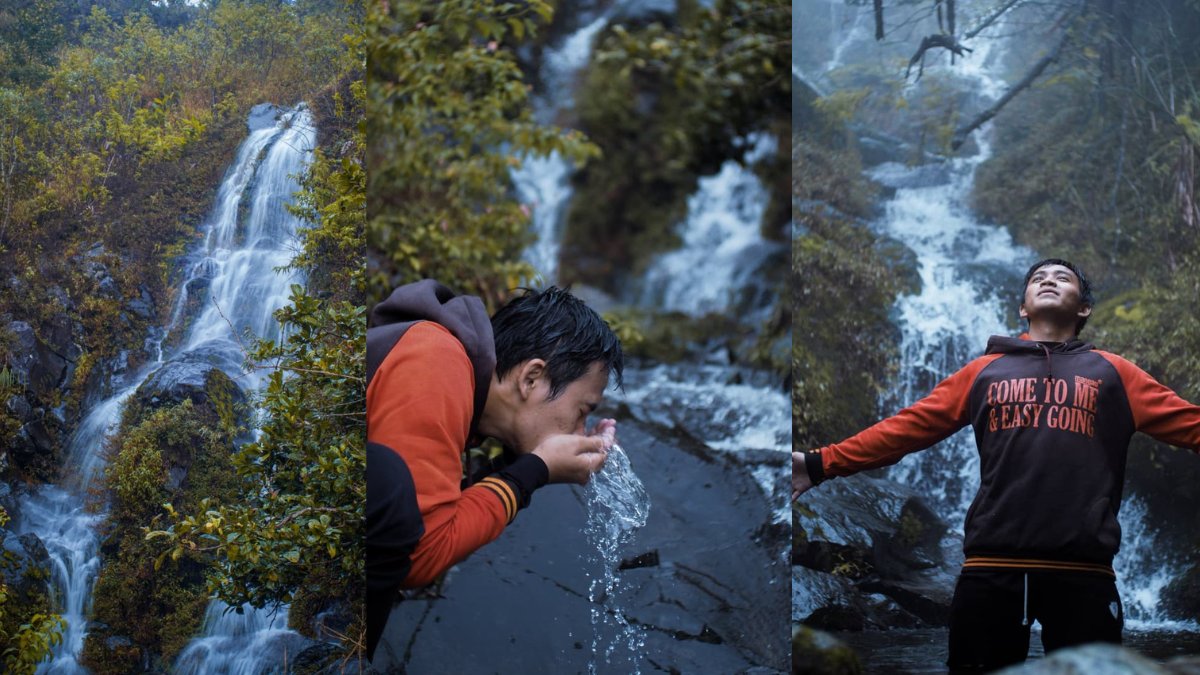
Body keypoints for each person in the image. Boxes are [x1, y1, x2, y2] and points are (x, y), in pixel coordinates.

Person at [792, 258, 1200, 671]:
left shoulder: (1115, 372)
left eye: (1063, 278)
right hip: (991, 570)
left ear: (1084, 310)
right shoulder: (983, 371)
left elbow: (1191, 425)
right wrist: (818, 463)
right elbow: (907, 429)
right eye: (1038, 278)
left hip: (1084, 573)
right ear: (1023, 308)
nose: (1048, 281)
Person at [365, 279, 624, 661]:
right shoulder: (435, 361)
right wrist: (535, 468)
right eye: (582, 412)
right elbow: (416, 554)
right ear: (531, 377)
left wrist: (520, 466)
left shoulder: (456, 377)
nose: (579, 432)